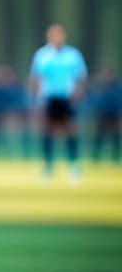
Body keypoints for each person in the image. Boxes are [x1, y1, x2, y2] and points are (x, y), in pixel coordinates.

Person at [29, 24, 87, 179]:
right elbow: (35, 78)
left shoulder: (72, 55)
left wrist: (78, 92)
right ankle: (48, 166)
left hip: (67, 98)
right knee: (47, 131)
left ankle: (73, 165)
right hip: (48, 97)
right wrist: (35, 99)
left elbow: (80, 77)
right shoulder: (42, 55)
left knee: (70, 130)